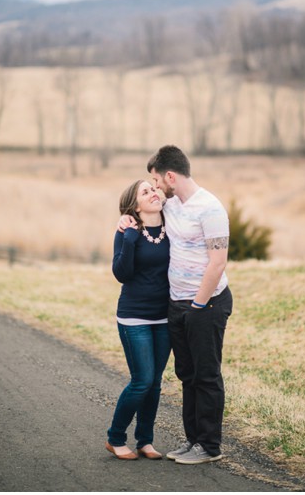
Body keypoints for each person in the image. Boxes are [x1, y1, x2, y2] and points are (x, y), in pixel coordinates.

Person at [120, 145, 232, 465]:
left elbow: (218, 263)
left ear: (170, 176)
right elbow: (145, 214)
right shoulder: (171, 205)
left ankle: (209, 446)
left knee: (206, 375)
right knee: (187, 375)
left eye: (156, 181)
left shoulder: (210, 209)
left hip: (206, 305)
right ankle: (193, 440)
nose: (155, 188)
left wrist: (197, 306)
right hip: (176, 304)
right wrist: (125, 222)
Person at [106, 179, 171, 460]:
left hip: (165, 316)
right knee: (142, 380)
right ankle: (115, 437)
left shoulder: (173, 225)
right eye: (145, 192)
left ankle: (145, 440)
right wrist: (130, 239)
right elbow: (121, 273)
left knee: (155, 382)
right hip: (134, 316)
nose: (153, 193)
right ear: (135, 205)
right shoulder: (126, 231)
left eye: (154, 189)